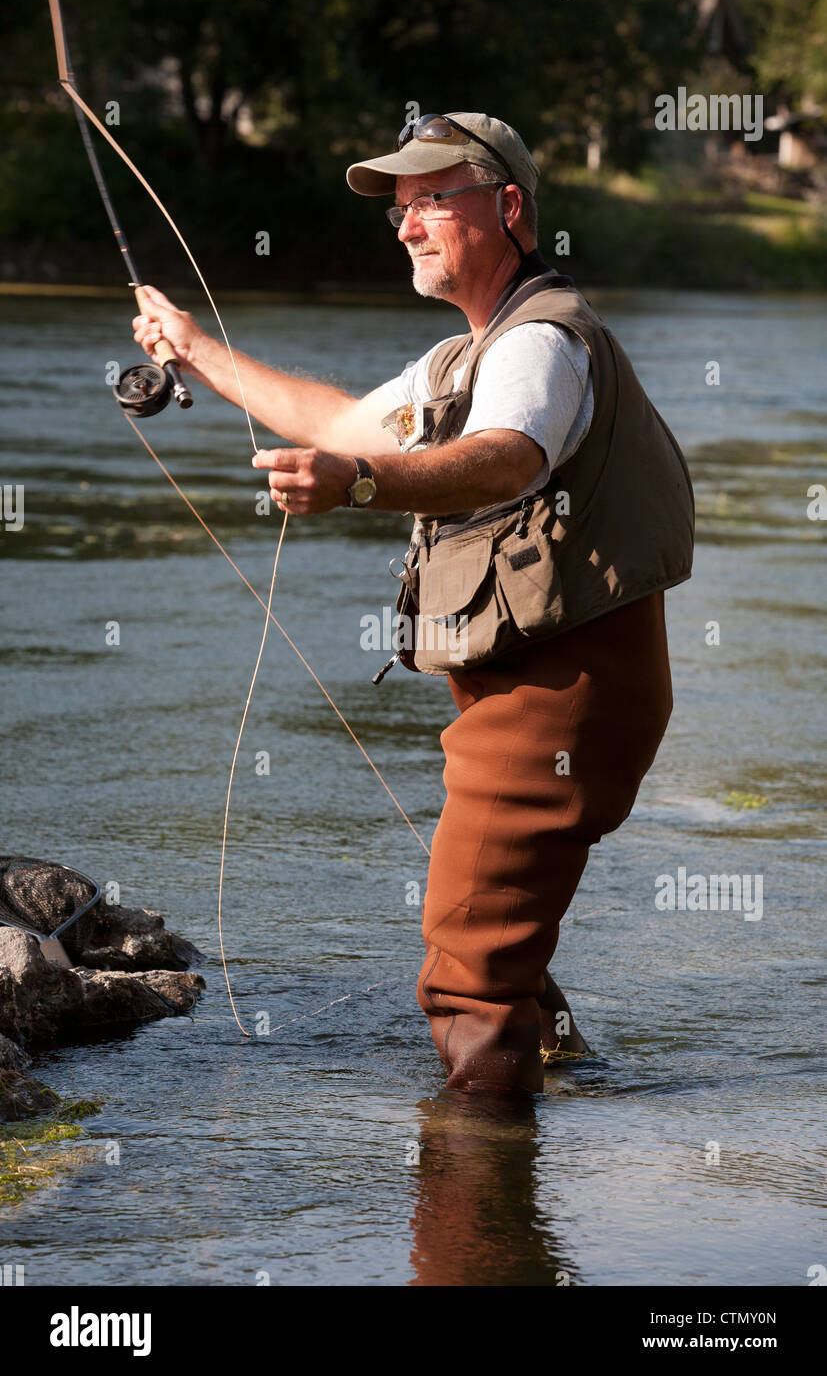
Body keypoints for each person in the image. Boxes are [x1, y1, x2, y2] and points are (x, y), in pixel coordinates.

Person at [133, 111, 694, 1099]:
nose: (406, 225)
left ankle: (475, 1221)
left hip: (560, 696)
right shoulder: (456, 360)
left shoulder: (540, 344)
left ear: (508, 206)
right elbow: (335, 419)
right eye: (400, 207)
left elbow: (507, 457)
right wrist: (191, 348)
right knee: (490, 933)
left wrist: (358, 484)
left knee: (464, 974)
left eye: (432, 198)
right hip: (520, 692)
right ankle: (561, 1086)